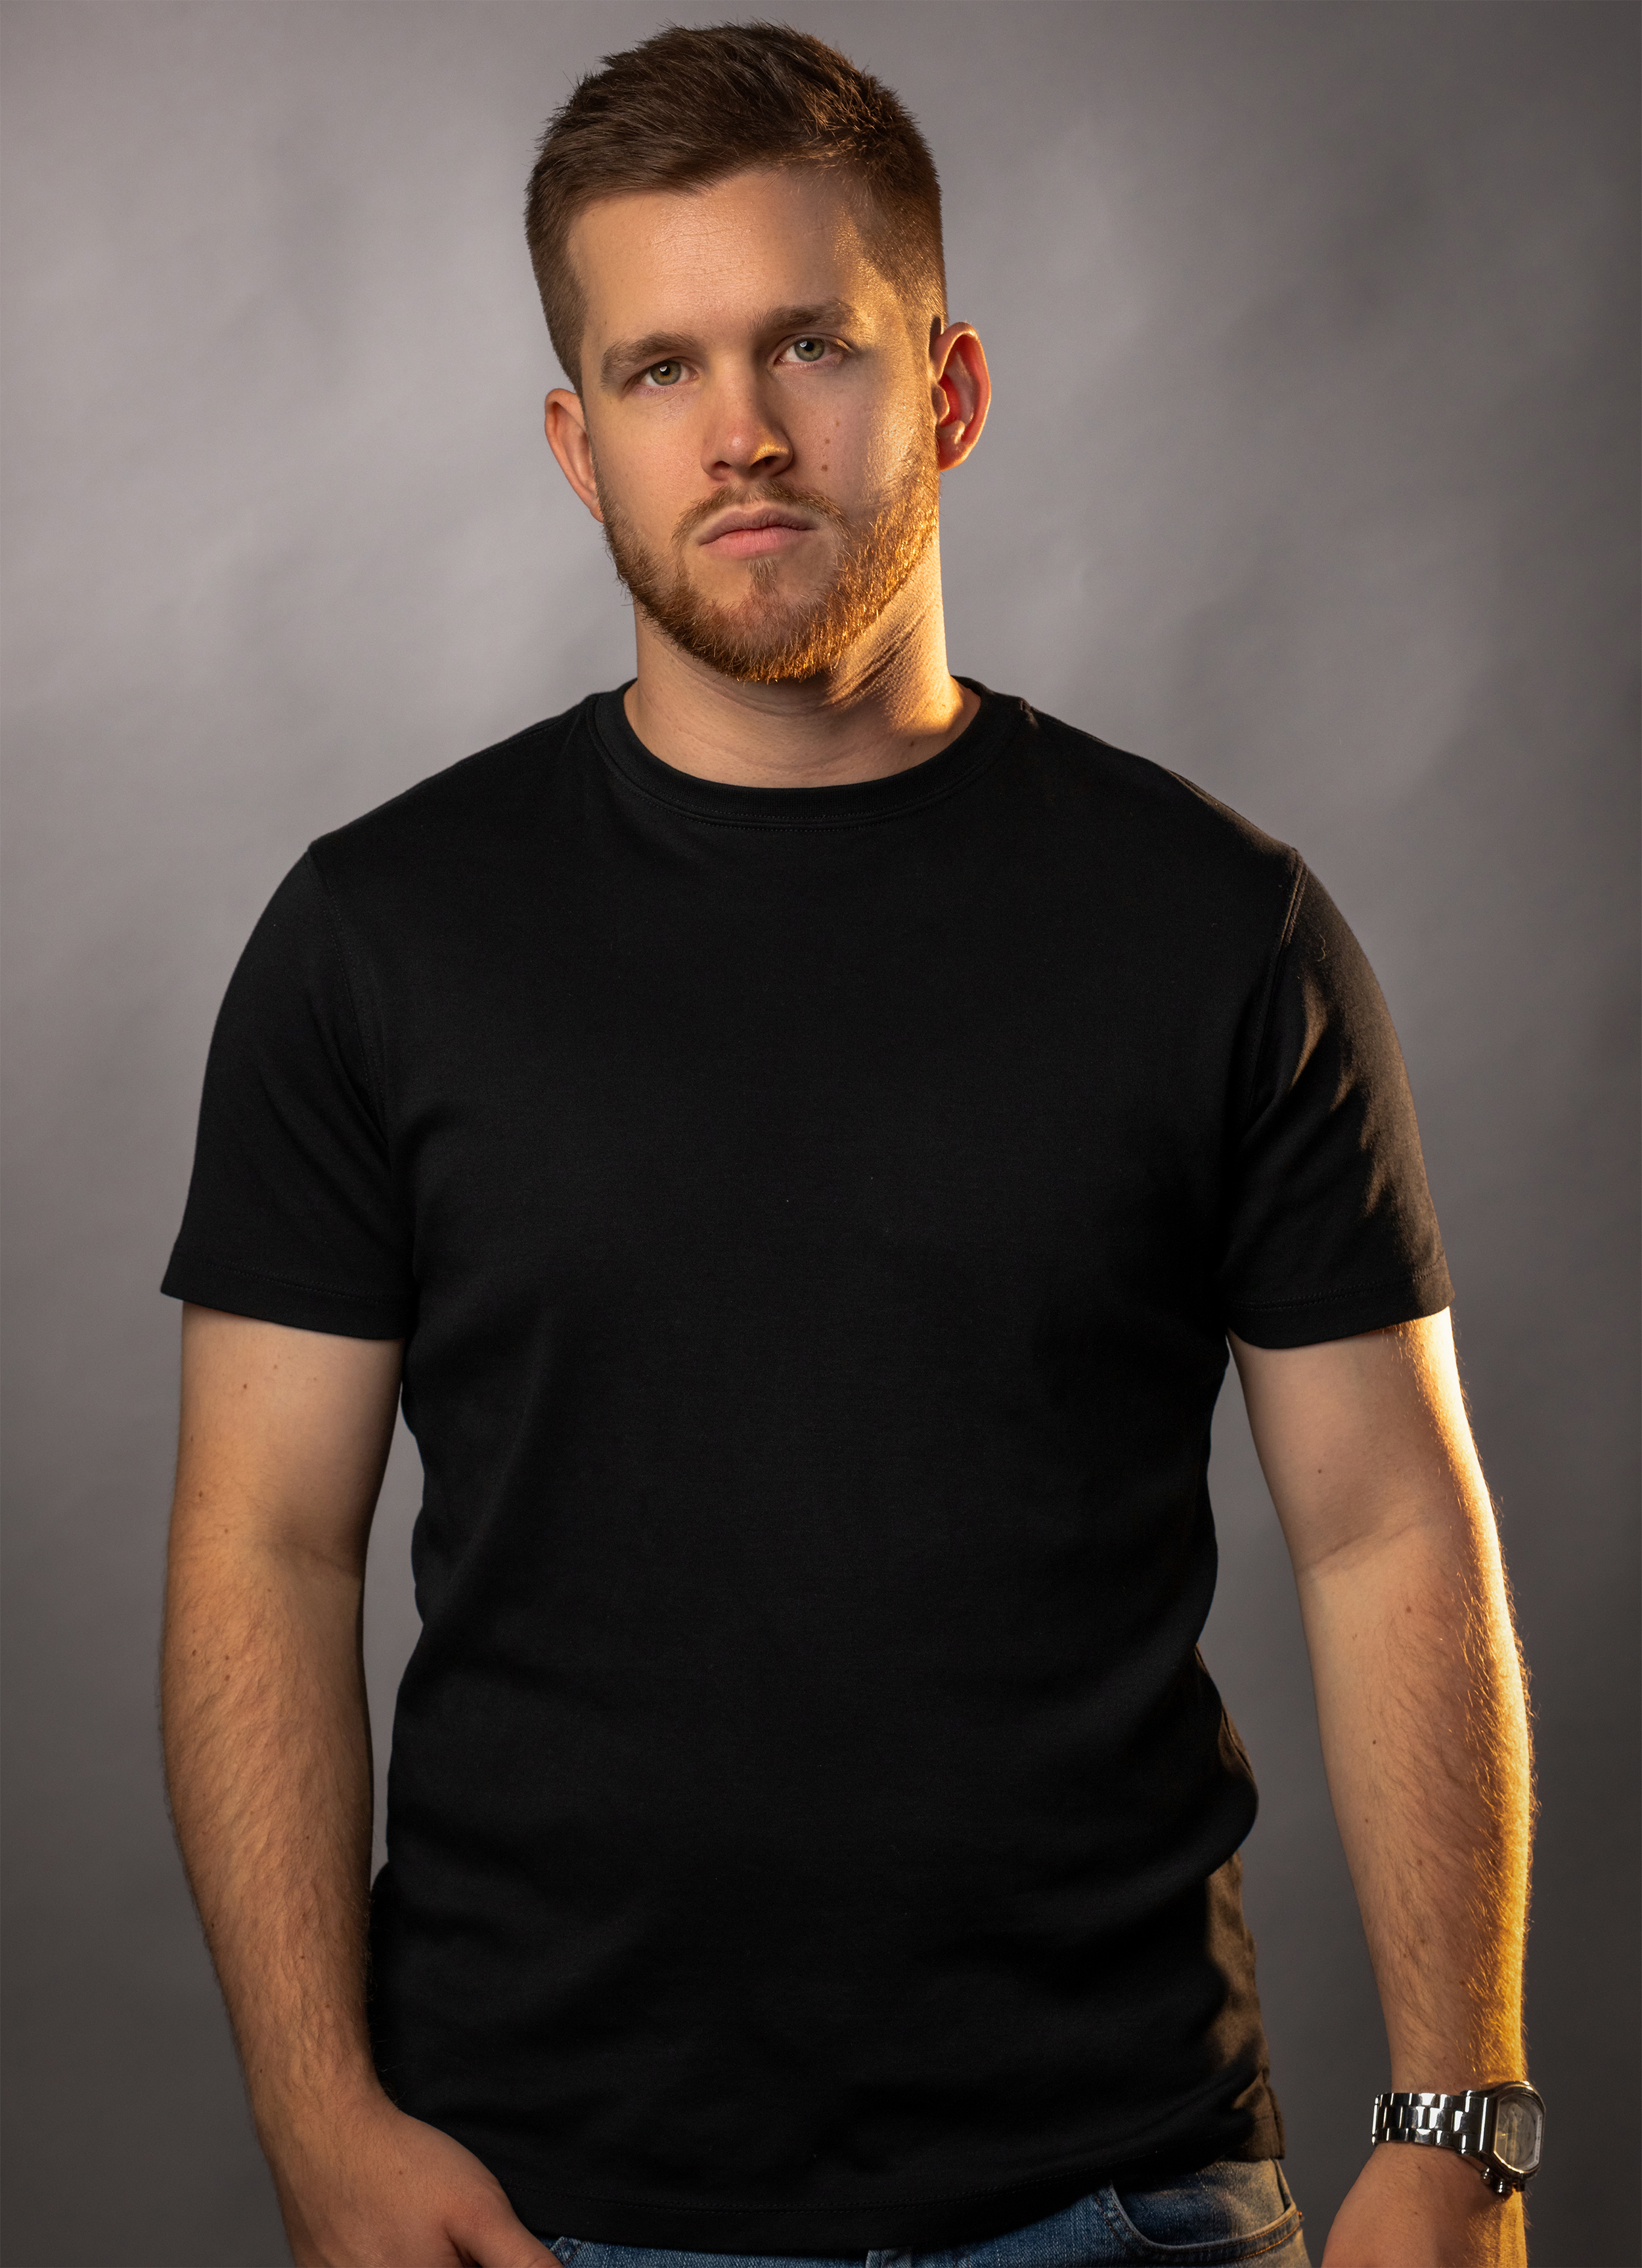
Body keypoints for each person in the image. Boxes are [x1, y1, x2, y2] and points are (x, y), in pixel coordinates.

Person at [159, 24, 1536, 2268]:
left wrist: (1459, 2125)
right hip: (542, 2209)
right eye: (660, 368)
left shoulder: (1217, 929)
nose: (742, 431)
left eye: (811, 342)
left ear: (950, 390)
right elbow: (264, 1547)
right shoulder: (375, 940)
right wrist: (316, 2118)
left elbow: (1389, 1527)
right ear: (575, 443)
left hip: (1125, 2197)